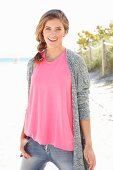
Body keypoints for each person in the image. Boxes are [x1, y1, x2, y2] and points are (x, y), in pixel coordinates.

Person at [20, 9, 96, 170]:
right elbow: (32, 104)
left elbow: (83, 105)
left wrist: (88, 144)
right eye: (48, 28)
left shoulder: (75, 62)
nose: (52, 33)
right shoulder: (33, 63)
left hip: (66, 147)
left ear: (65, 31)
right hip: (34, 144)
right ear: (42, 31)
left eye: (58, 29)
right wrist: (22, 136)